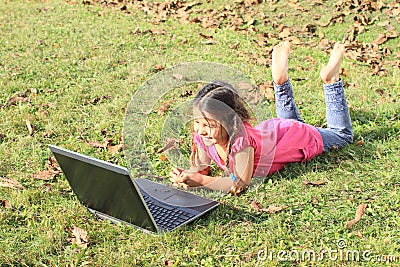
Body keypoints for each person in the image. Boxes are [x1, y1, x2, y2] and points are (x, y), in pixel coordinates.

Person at [169, 42, 353, 195]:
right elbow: (201, 166)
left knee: (342, 135)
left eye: (208, 125)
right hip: (277, 131)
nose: (201, 130)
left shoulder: (242, 142)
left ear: (229, 122)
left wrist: (202, 181)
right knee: (291, 122)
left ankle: (332, 81)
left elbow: (239, 183)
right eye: (197, 122)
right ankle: (280, 82)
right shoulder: (203, 136)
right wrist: (188, 174)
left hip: (298, 137)